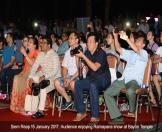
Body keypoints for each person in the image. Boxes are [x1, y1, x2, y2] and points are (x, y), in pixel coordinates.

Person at [104, 30, 148, 124]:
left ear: (143, 45)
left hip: (134, 81)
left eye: (140, 40)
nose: (137, 41)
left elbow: (137, 49)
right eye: (137, 40)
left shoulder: (144, 53)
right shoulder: (130, 53)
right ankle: (117, 116)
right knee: (107, 93)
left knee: (130, 91)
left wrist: (127, 39)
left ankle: (131, 110)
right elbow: (118, 48)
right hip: (123, 79)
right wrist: (115, 36)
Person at [73, 32, 111, 123]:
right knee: (78, 83)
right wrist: (78, 57)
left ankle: (95, 116)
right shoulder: (86, 52)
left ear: (96, 43)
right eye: (87, 41)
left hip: (103, 79)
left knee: (93, 85)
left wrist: (83, 57)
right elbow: (80, 68)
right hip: (91, 78)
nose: (88, 43)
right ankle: (81, 112)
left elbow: (94, 67)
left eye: (90, 41)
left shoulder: (101, 53)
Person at [27, 36, 61, 118]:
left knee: (42, 86)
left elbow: (55, 71)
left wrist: (45, 76)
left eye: (43, 43)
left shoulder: (54, 55)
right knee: (32, 79)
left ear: (49, 45)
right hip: (43, 76)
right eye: (41, 43)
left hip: (53, 78)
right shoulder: (41, 54)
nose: (41, 44)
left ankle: (40, 111)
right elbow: (35, 66)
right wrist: (31, 77)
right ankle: (32, 108)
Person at [10, 36, 39, 114]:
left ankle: (25, 105)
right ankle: (17, 104)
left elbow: (34, 65)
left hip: (32, 73)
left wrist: (25, 54)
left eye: (30, 42)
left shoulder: (37, 52)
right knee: (16, 77)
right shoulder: (28, 52)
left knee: (22, 79)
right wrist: (19, 66)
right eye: (28, 42)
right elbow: (25, 65)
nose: (28, 43)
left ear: (35, 45)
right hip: (25, 72)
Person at [54, 32, 80, 110]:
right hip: (69, 76)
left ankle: (77, 101)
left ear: (77, 40)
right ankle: (68, 100)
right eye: (69, 38)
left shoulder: (81, 50)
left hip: (79, 75)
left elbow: (80, 70)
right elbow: (64, 68)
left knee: (72, 83)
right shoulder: (67, 52)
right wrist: (65, 78)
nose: (69, 40)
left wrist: (70, 79)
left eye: (71, 38)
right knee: (56, 82)